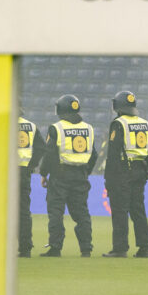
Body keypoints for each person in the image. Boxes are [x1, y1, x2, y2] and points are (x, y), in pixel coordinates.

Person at [40, 94, 97, 257]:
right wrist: (86, 171)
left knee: (56, 212)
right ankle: (86, 249)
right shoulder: (89, 128)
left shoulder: (56, 128)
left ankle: (55, 247)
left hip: (60, 175)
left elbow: (49, 154)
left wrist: (44, 173)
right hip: (81, 176)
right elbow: (93, 154)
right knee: (82, 214)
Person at [102, 90, 148, 258]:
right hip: (140, 170)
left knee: (120, 210)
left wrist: (109, 179)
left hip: (123, 171)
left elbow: (113, 154)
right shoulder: (145, 124)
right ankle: (145, 248)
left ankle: (120, 248)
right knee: (138, 210)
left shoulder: (118, 123)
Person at [17, 108, 45, 258]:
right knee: (23, 212)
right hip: (23, 173)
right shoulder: (31, 126)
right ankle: (25, 248)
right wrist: (31, 165)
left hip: (5, 173)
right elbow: (41, 148)